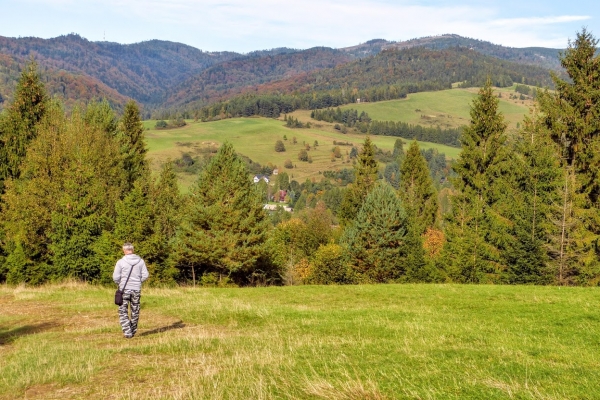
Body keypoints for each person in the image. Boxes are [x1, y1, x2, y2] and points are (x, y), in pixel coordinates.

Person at [113, 242, 149, 338]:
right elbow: (145, 275)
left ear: (124, 250)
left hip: (124, 289)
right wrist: (138, 282)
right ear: (132, 250)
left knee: (122, 310)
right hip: (136, 289)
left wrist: (120, 284)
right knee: (135, 310)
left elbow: (115, 277)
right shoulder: (141, 261)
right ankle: (132, 331)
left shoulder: (120, 262)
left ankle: (127, 332)